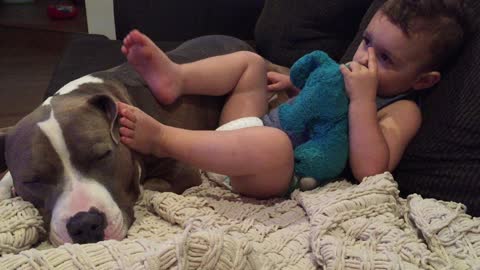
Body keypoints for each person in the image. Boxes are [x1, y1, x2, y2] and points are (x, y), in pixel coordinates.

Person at [116, 0, 466, 198]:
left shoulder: (403, 109)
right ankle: (177, 78)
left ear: (423, 80)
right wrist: (294, 84)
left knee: (277, 145)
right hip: (247, 132)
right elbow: (318, 103)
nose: (364, 59)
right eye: (366, 42)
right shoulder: (352, 70)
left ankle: (163, 139)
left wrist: (362, 102)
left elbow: (370, 169)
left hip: (279, 173)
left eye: (386, 58)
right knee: (250, 64)